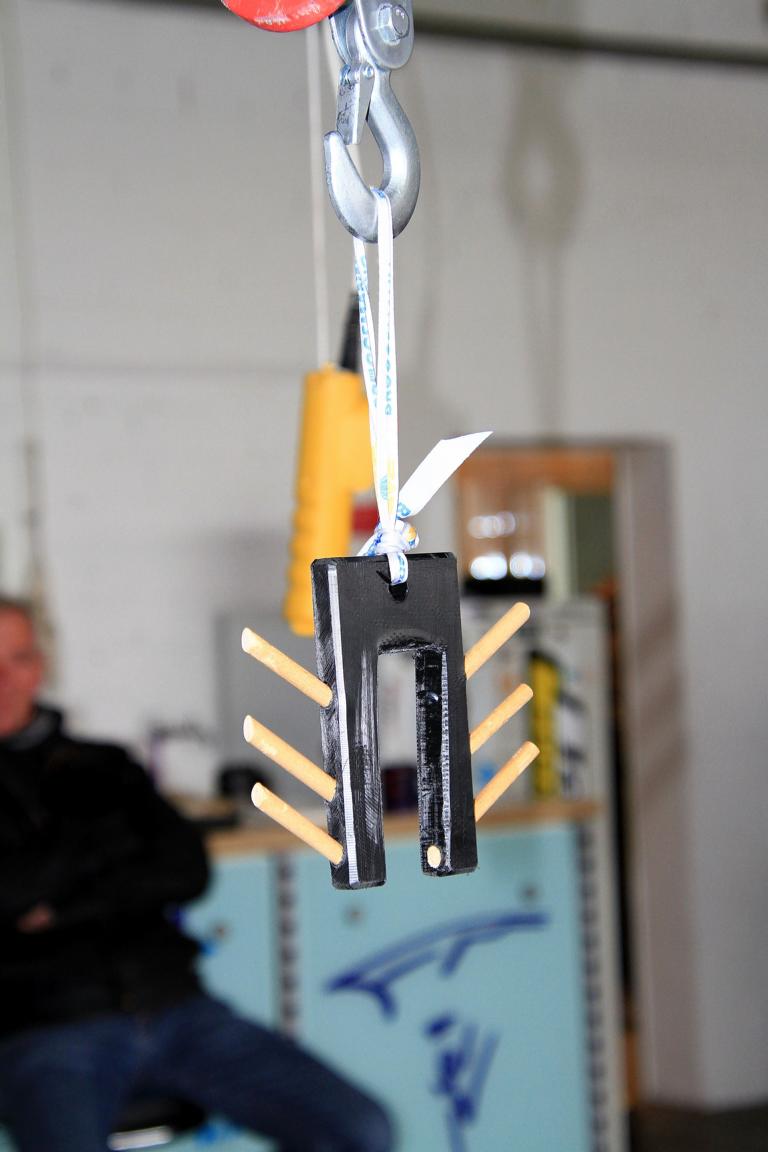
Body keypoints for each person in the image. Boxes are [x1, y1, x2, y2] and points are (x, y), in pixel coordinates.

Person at [0, 595, 393, 1152]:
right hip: (45, 1031)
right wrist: (104, 843)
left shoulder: (103, 763)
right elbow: (11, 894)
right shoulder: (103, 787)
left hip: (177, 1010)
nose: (4, 680)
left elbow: (186, 869)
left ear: (39, 666)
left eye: (18, 659)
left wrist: (59, 905)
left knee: (362, 1129)